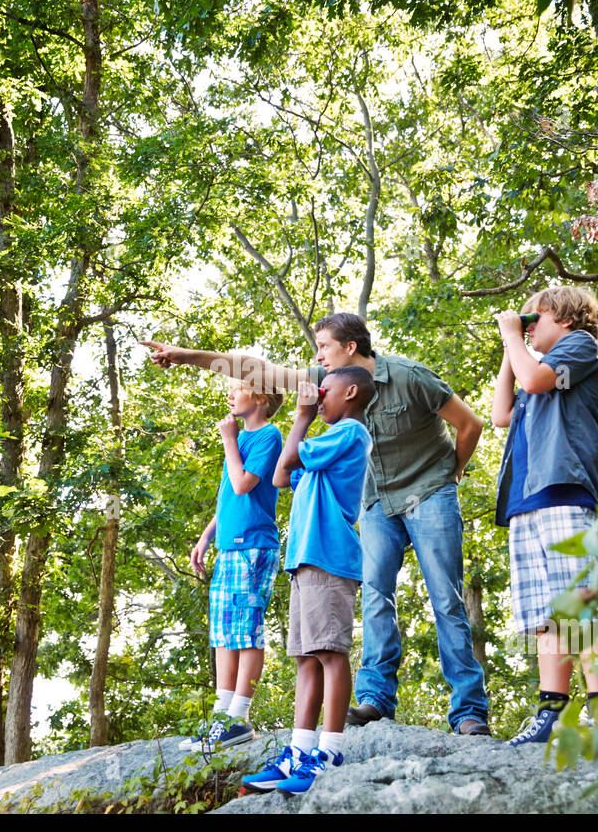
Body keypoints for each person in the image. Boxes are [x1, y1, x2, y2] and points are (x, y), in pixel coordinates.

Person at [142, 313, 491, 735]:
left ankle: (469, 711)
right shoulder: (325, 382)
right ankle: (376, 700)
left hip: (428, 491)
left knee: (446, 599)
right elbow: (256, 369)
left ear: (349, 346)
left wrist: (450, 475)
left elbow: (470, 424)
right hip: (376, 500)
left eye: (323, 346)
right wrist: (185, 356)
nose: (316, 355)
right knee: (377, 597)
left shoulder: (410, 376)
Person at [240, 365, 373, 794]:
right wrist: (305, 421)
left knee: (331, 653)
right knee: (306, 656)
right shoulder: (323, 444)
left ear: (350, 392)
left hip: (330, 557)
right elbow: (281, 476)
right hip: (304, 559)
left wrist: (301, 417)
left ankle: (330, 751)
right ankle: (300, 750)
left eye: (325, 391)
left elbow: (292, 457)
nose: (318, 397)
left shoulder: (350, 432)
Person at [491, 287, 598, 746]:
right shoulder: (532, 368)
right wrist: (512, 344)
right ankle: (552, 712)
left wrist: (513, 337)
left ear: (562, 316)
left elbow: (537, 382)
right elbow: (502, 415)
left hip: (565, 492)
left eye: (533, 318)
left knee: (581, 603)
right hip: (527, 501)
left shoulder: (579, 345)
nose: (528, 326)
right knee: (546, 615)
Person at [180, 382, 285, 752]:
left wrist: (229, 438)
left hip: (254, 548)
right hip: (229, 547)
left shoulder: (268, 436)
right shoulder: (240, 441)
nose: (229, 396)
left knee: (246, 630)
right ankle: (221, 719)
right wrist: (206, 537)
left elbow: (243, 485)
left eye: (237, 390)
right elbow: (228, 498)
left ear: (259, 398)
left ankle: (239, 717)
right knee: (223, 633)